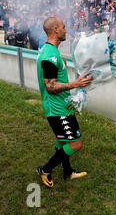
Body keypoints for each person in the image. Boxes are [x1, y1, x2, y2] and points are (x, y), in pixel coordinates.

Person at [36, 17, 93, 188]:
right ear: (55, 29)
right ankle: (45, 170)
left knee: (61, 140)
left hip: (61, 106)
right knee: (76, 143)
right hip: (57, 108)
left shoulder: (50, 51)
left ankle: (67, 172)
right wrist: (75, 84)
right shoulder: (49, 56)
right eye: (63, 27)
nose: (66, 30)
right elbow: (50, 86)